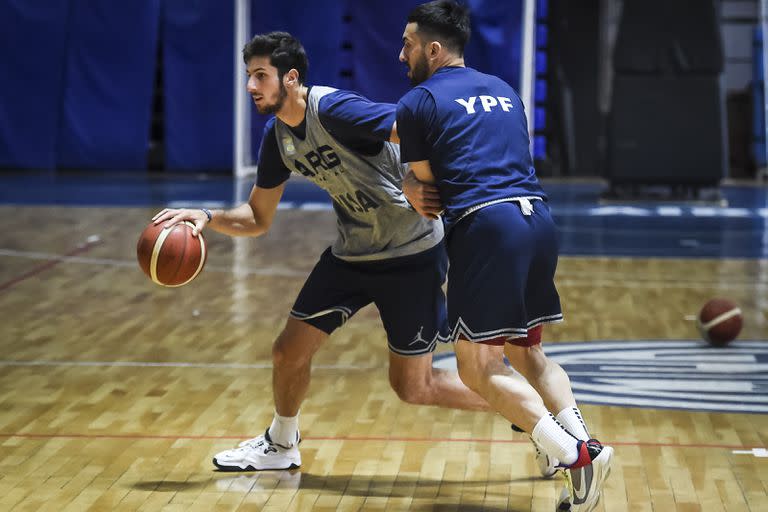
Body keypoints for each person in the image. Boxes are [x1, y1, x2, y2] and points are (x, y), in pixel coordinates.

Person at [152, 31, 492, 472]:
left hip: (411, 255)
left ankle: (526, 415)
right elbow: (257, 217)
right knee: (287, 352)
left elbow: (414, 127)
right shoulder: (278, 137)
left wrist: (411, 179)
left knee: (414, 387)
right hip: (353, 254)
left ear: (290, 79)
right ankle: (281, 442)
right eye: (249, 76)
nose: (251, 87)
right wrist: (205, 216)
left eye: (261, 76)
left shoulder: (334, 110)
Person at [393, 2, 613, 510]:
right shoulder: (504, 89)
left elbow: (428, 196)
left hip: (487, 228)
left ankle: (576, 454)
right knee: (528, 354)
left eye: (406, 44)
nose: (399, 54)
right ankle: (579, 444)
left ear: (432, 48)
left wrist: (406, 182)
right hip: (538, 219)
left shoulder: (418, 101)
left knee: (475, 367)